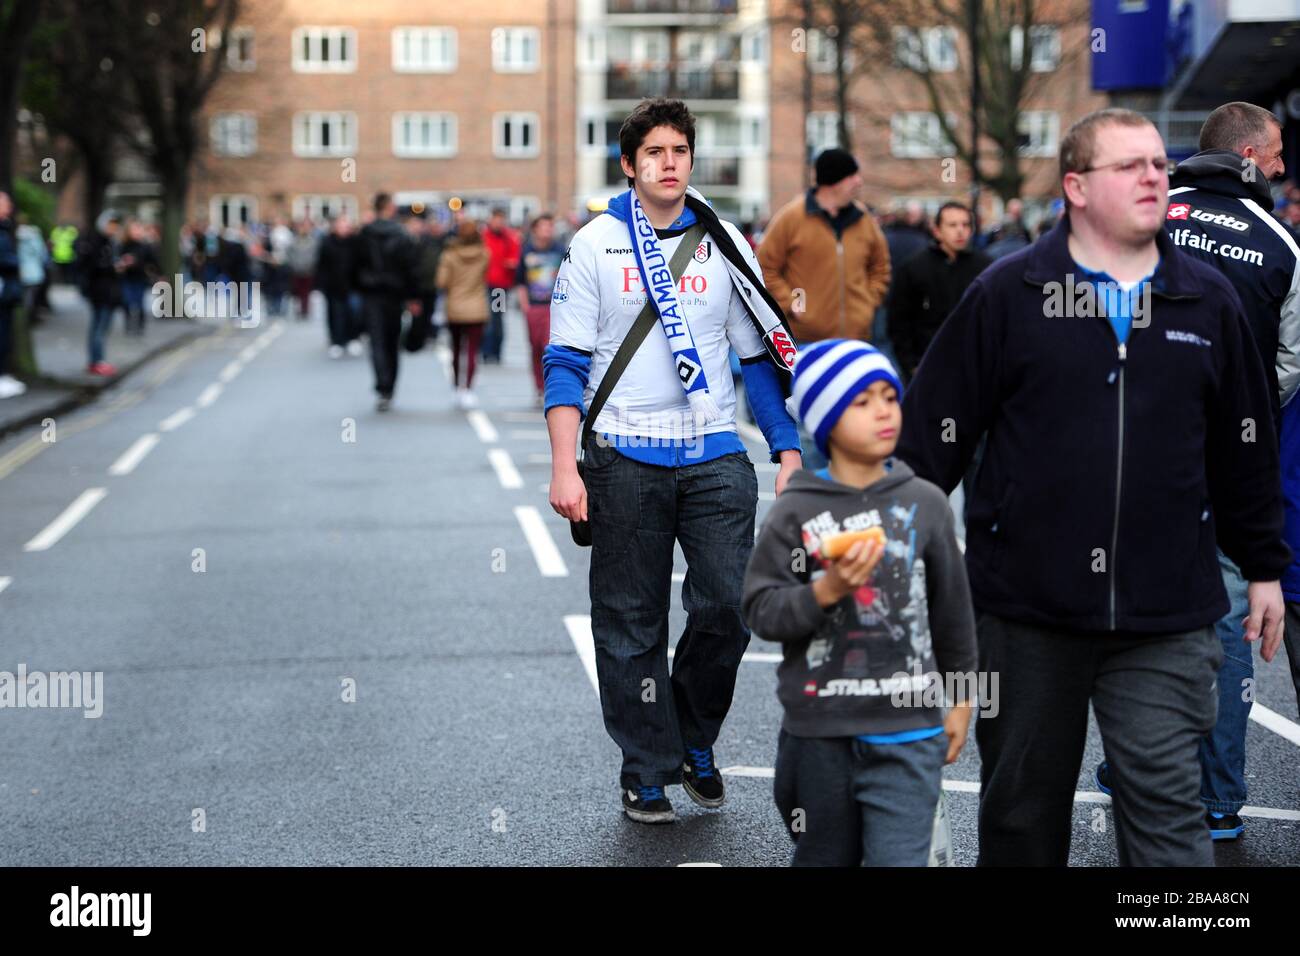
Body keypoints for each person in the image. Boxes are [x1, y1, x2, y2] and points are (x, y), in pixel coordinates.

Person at [896, 107, 1289, 866]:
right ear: (1076, 186)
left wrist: (1264, 565)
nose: (1154, 176)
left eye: (1157, 163)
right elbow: (930, 438)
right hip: (1024, 610)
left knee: (1170, 821)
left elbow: (1245, 445)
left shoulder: (1206, 301)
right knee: (1020, 817)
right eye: (1130, 166)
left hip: (1167, 611)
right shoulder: (1008, 294)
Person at [544, 97, 802, 824]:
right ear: (629, 166)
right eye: (653, 152)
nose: (668, 163)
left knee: (727, 604)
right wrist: (565, 466)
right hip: (623, 453)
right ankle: (647, 766)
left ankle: (691, 736)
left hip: (716, 451)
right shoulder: (596, 245)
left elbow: (757, 361)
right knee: (630, 620)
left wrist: (785, 447)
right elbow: (563, 363)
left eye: (679, 152)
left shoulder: (724, 242)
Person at [1093, 101, 1300, 841]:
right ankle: (1217, 799)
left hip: (1124, 457)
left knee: (1129, 618)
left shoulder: (1143, 210)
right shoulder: (1282, 245)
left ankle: (1130, 763)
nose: (1281, 168)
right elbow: (1290, 363)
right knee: (1223, 627)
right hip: (1228, 466)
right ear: (1248, 156)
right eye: (1275, 155)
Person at [742, 340, 976, 866]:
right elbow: (761, 610)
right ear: (826, 419)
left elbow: (954, 620)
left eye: (889, 397)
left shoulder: (926, 504)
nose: (883, 412)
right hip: (818, 731)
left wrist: (961, 702)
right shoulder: (795, 511)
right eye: (862, 401)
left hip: (908, 731)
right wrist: (824, 592)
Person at [757, 147, 891, 468]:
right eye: (852, 176)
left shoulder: (863, 221)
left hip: (855, 344)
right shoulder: (792, 217)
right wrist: (793, 303)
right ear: (834, 182)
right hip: (807, 344)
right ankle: (815, 496)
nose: (859, 182)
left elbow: (881, 267)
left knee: (854, 425)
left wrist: (868, 302)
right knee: (813, 426)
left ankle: (852, 498)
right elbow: (765, 267)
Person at [888, 202, 992, 382]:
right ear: (937, 230)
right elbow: (899, 322)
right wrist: (911, 365)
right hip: (927, 366)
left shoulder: (985, 266)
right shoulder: (914, 268)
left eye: (965, 225)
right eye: (952, 225)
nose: (960, 231)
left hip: (975, 367)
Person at [352, 193, 422, 411]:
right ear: (389, 208)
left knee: (377, 341)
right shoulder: (401, 235)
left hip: (372, 294)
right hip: (394, 294)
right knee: (391, 341)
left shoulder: (365, 234)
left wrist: (361, 286)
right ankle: (389, 386)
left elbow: (354, 266)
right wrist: (412, 296)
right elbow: (411, 268)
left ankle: (383, 385)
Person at [436, 219, 490, 408]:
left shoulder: (449, 255)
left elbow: (441, 282)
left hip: (455, 307)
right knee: (473, 351)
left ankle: (456, 388)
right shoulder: (484, 254)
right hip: (476, 307)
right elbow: (487, 276)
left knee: (456, 349)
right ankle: (468, 389)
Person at [515, 213, 565, 407]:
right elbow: (520, 281)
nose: (547, 230)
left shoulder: (560, 250)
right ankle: (538, 387)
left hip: (554, 307)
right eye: (544, 226)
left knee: (548, 347)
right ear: (535, 229)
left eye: (550, 226)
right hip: (534, 306)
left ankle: (550, 387)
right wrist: (525, 305)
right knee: (535, 347)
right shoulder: (527, 251)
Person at [79, 210, 128, 376]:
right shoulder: (96, 242)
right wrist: (112, 267)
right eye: (111, 225)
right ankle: (96, 361)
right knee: (98, 328)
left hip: (108, 291)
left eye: (115, 225)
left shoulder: (110, 242)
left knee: (102, 327)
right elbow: (92, 267)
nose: (113, 228)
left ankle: (98, 360)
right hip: (99, 291)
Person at [315, 214, 362, 359]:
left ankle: (353, 338)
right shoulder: (327, 243)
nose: (344, 229)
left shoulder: (356, 243)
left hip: (353, 286)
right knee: (335, 314)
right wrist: (320, 285)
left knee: (354, 313)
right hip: (333, 286)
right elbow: (321, 265)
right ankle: (336, 341)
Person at [480, 207, 520, 364]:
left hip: (500, 286)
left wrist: (511, 264)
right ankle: (485, 351)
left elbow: (515, 257)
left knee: (496, 319)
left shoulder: (509, 238)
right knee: (485, 319)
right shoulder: (483, 237)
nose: (498, 223)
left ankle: (495, 351)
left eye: (501, 219)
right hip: (484, 284)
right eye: (495, 219)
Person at [0, 192, 25, 398]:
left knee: (6, 333)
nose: (9, 208)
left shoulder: (5, 228)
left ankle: (4, 375)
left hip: (6, 292)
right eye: (4, 204)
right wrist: (14, 261)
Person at [119, 219, 157, 335]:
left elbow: (153, 261)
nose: (137, 232)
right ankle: (128, 324)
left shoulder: (145, 246)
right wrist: (123, 263)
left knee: (139, 303)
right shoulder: (123, 245)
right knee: (126, 301)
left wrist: (159, 274)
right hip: (126, 277)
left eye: (138, 229)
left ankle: (140, 326)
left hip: (139, 278)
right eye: (134, 229)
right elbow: (117, 260)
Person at [287, 219, 319, 320]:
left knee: (306, 292)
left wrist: (310, 265)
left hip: (308, 271)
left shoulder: (313, 241)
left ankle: (305, 310)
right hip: (296, 270)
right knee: (297, 292)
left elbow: (315, 256)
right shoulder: (294, 241)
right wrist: (294, 265)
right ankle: (298, 309)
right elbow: (290, 255)